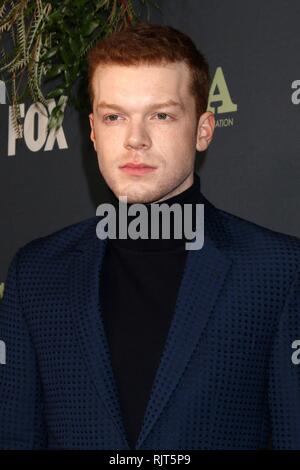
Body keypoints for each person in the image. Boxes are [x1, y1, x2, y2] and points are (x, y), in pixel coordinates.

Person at [0, 22, 299, 450]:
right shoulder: (36, 274)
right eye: (114, 117)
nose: (135, 139)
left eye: (161, 115)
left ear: (203, 129)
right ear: (93, 133)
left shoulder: (278, 271)